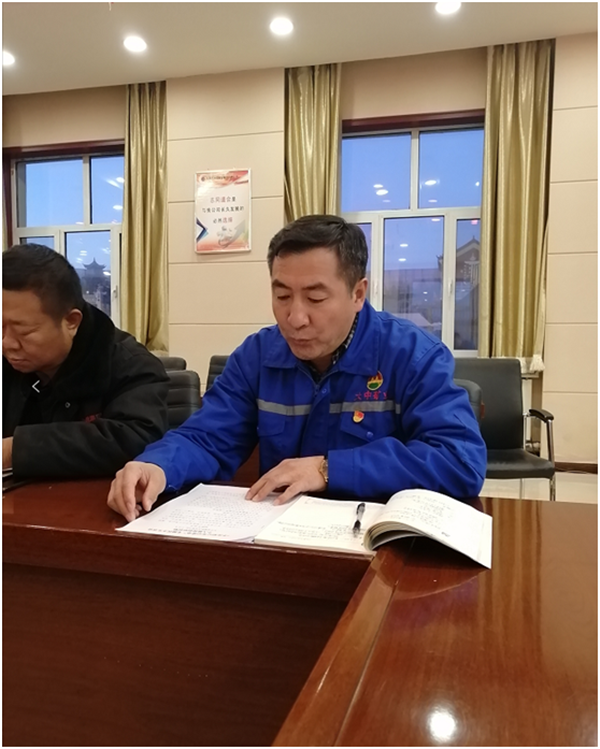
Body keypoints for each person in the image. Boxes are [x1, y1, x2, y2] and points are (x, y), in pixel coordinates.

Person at [108, 215, 487, 522]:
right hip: (280, 537)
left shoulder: (411, 355)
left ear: (358, 293)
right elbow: (207, 437)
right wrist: (156, 466)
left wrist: (328, 469)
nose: (295, 318)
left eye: (316, 297)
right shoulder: (258, 355)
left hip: (377, 547)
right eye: (282, 295)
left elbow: (459, 460)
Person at [3, 244, 169, 478]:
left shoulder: (130, 365)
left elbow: (136, 437)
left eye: (24, 331)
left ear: (71, 321)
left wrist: (13, 450)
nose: (7, 343)